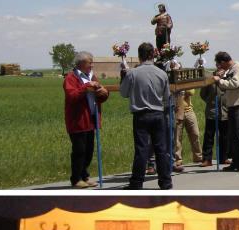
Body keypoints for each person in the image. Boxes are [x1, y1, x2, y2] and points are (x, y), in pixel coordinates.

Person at [120, 42, 173, 190]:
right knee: (161, 149)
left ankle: (137, 182)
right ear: (153, 55)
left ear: (139, 55)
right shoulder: (162, 74)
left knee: (142, 149)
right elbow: (167, 97)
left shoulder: (133, 73)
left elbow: (124, 93)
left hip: (141, 114)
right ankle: (165, 182)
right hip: (158, 114)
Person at [63, 51, 109, 189]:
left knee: (89, 150)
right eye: (90, 62)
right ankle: (76, 178)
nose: (92, 65)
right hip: (77, 119)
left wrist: (103, 93)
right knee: (79, 150)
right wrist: (87, 86)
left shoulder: (91, 76)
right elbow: (72, 96)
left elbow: (99, 96)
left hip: (91, 117)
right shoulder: (71, 78)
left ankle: (84, 175)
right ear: (81, 63)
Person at [213, 51, 239, 173]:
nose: (219, 67)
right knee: (233, 136)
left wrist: (219, 80)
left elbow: (235, 83)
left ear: (224, 62)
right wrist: (220, 77)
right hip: (232, 105)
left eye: (219, 65)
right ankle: (236, 162)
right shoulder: (229, 69)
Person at [199, 77, 230, 167]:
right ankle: (207, 159)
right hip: (212, 111)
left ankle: (223, 157)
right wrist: (209, 101)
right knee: (209, 136)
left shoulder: (228, 78)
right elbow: (203, 94)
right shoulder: (210, 79)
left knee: (224, 136)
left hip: (224, 111)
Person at [173, 88, 204, 172]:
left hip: (189, 111)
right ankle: (178, 159)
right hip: (177, 111)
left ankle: (198, 157)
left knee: (195, 133)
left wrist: (183, 90)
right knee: (177, 137)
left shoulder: (185, 79)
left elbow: (191, 92)